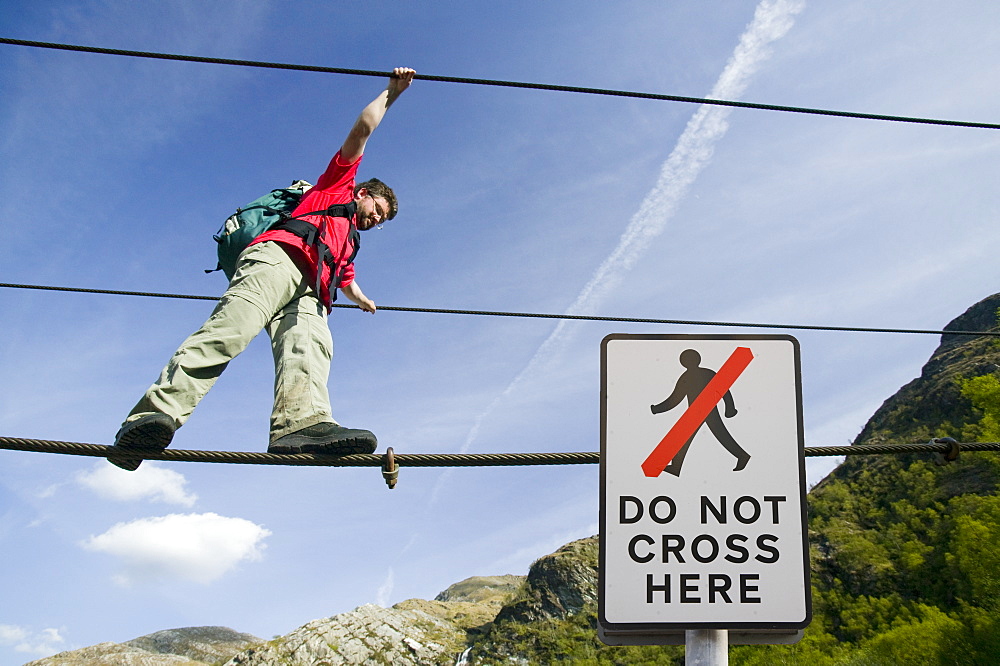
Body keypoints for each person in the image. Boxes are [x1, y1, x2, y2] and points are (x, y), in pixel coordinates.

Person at [109, 67, 416, 471]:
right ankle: (150, 418)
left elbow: (346, 279)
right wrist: (391, 94)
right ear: (362, 193)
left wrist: (362, 299)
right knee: (229, 331)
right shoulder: (335, 188)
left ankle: (299, 424)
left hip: (312, 294)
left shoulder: (348, 241)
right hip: (278, 259)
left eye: (381, 221)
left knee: (310, 353)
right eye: (376, 210)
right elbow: (362, 129)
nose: (375, 220)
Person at [650, 348, 751, 476]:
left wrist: (730, 408)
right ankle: (676, 466)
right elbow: (675, 398)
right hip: (695, 412)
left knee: (719, 435)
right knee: (684, 438)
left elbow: (724, 390)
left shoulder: (704, 374)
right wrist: (658, 409)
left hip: (705, 410)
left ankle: (742, 456)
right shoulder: (690, 377)